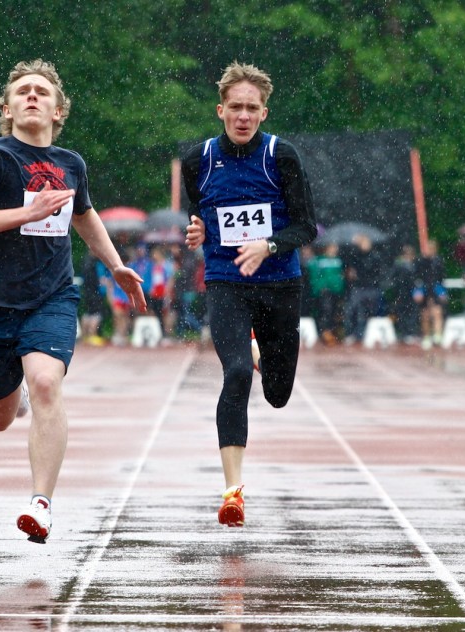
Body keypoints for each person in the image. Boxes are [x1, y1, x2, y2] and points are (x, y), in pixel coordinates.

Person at [0, 59, 145, 543]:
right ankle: (8, 396)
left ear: (59, 111)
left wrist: (115, 264)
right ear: (7, 107)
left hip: (51, 298)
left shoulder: (70, 164)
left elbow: (84, 215)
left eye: (41, 92)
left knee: (45, 383)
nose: (32, 96)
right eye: (23, 91)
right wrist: (25, 212)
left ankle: (41, 503)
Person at [182, 61, 317, 527]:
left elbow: (307, 226)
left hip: (280, 284)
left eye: (251, 109)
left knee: (277, 394)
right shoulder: (196, 159)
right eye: (234, 107)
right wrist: (196, 231)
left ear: (263, 113)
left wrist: (269, 245)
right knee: (236, 372)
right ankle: (232, 490)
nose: (242, 116)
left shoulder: (282, 156)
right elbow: (198, 213)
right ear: (220, 110)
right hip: (226, 282)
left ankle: (264, 351)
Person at [341, 234, 384, 345]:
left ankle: (362, 334)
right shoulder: (355, 255)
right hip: (358, 288)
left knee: (368, 312)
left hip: (371, 288)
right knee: (352, 311)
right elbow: (349, 265)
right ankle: (351, 334)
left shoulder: (375, 256)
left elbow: (378, 273)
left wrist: (369, 280)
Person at [305, 242, 344, 345]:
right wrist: (320, 287)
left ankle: (333, 333)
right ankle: (325, 333)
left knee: (335, 312)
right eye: (333, 246)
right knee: (326, 311)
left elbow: (341, 275)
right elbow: (314, 276)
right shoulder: (319, 261)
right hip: (325, 291)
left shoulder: (338, 261)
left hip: (337, 291)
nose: (335, 249)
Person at [414, 239, 448, 349]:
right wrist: (418, 291)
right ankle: (427, 337)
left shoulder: (439, 261)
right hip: (424, 288)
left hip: (436, 288)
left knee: (437, 312)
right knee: (425, 315)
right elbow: (417, 277)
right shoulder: (420, 261)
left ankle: (437, 335)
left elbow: (441, 278)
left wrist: (442, 292)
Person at [388, 244, 420, 343]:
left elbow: (417, 279)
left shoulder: (415, 265)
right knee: (403, 313)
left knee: (412, 313)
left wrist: (417, 290)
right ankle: (405, 334)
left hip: (412, 293)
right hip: (401, 293)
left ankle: (411, 333)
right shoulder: (398, 265)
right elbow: (393, 278)